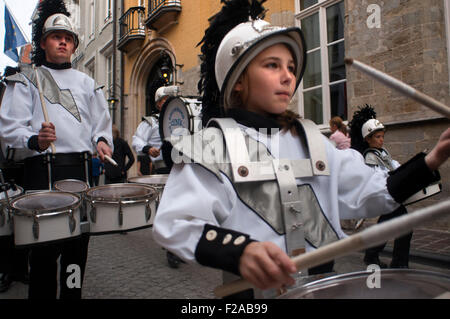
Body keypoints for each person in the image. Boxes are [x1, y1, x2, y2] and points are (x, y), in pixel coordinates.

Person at [152, 0, 449, 298]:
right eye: (272, 65)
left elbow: (376, 192)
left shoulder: (311, 140)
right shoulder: (209, 147)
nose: (288, 76)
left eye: (291, 67)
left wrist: (432, 160)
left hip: (322, 290)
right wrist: (241, 250)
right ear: (239, 80)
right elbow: (174, 223)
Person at [0, 0, 113, 299]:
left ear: (74, 46)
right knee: (44, 257)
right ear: (43, 42)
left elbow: (100, 128)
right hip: (40, 175)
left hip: (80, 174)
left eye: (68, 38)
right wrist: (34, 139)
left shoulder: (89, 84)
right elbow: (9, 131)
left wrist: (102, 142)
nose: (63, 41)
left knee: (75, 254)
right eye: (56, 36)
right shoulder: (26, 79)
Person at [349, 105, 414, 268]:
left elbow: (393, 165)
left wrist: (405, 170)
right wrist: (395, 177)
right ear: (368, 139)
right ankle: (395, 262)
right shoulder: (370, 157)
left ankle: (377, 257)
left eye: (382, 136)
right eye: (377, 137)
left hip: (393, 193)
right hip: (385, 194)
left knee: (393, 227)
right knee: (400, 227)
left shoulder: (383, 152)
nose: (381, 139)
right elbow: (377, 176)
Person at [132, 85, 178, 175]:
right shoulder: (151, 122)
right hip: (161, 170)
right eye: (166, 100)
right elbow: (136, 140)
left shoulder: (180, 120)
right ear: (158, 104)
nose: (169, 103)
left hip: (180, 168)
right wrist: (148, 149)